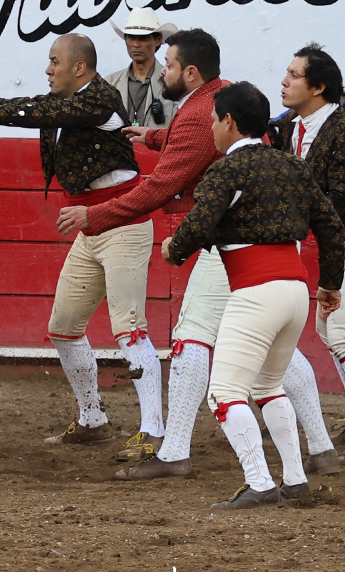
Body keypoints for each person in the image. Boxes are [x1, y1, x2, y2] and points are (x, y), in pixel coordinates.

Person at [60, 29, 334, 480]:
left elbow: (163, 187)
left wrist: (98, 216)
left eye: (167, 64)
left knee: (192, 339)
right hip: (281, 254)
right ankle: (321, 449)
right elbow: (195, 138)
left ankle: (176, 453)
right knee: (275, 356)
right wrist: (156, 137)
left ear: (190, 72)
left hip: (234, 247)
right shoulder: (223, 97)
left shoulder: (205, 119)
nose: (160, 71)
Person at [0, 34, 163, 451]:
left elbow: (34, 112)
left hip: (124, 223)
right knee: (64, 328)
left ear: (79, 68)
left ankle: (155, 430)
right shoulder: (64, 102)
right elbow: (28, 108)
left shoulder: (100, 98)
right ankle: (93, 420)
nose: (48, 69)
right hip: (89, 227)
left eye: (54, 61)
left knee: (130, 329)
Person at [162, 82, 344, 509]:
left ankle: (260, 483)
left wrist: (175, 249)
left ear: (228, 121)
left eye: (213, 120)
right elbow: (332, 226)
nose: (211, 128)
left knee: (224, 393)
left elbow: (199, 222)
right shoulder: (292, 165)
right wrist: (330, 283)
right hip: (296, 291)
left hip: (256, 291)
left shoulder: (226, 170)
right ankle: (295, 479)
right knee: (268, 385)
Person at [268, 43, 345, 470]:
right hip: (332, 242)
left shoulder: (342, 129)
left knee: (339, 331)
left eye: (294, 75)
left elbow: (339, 204)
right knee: (331, 331)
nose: (284, 81)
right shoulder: (288, 127)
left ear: (318, 88)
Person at [105, 7, 177, 128]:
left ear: (157, 40)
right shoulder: (110, 83)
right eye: (131, 37)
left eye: (143, 38)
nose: (136, 44)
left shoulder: (173, 82)